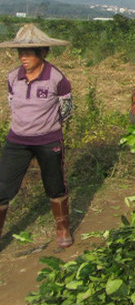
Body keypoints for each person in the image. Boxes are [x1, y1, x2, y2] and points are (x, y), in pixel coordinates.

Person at [0, 24, 74, 248]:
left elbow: (67, 109)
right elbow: (12, 103)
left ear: (43, 53)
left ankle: (62, 228)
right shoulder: (13, 77)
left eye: (29, 52)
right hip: (17, 141)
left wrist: (49, 127)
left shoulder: (57, 78)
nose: (23, 57)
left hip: (48, 140)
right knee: (2, 188)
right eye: (20, 52)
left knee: (55, 186)